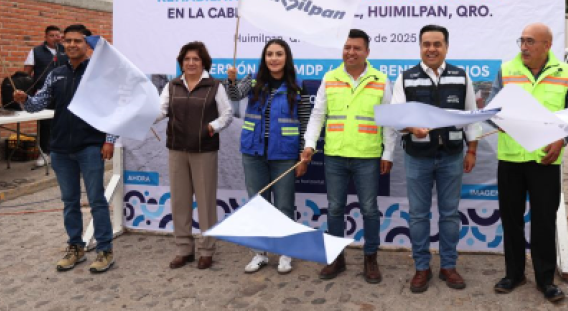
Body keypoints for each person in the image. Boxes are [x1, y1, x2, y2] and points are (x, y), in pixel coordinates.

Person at [13, 24, 116, 273]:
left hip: (90, 146)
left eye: (77, 41)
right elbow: (38, 105)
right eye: (67, 41)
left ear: (87, 44)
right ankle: (76, 248)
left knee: (96, 200)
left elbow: (113, 108)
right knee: (70, 202)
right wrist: (25, 100)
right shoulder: (55, 74)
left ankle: (104, 250)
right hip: (60, 148)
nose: (71, 45)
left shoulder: (99, 73)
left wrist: (109, 140)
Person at [489, 23, 568, 302]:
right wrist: (497, 120)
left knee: (544, 221)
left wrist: (562, 140)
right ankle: (514, 274)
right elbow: (491, 108)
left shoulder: (565, 72)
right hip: (511, 158)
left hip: (546, 159)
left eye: (530, 41)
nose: (524, 47)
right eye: (522, 41)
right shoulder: (507, 70)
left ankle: (545, 280)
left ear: (547, 45)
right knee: (511, 220)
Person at [390, 25, 481, 293]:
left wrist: (472, 150)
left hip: (452, 156)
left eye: (437, 44)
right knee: (418, 215)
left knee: (450, 214)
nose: (431, 49)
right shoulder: (406, 78)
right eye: (426, 44)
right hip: (417, 157)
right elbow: (395, 117)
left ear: (446, 47)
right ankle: (421, 267)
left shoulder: (461, 76)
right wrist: (411, 128)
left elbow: (472, 117)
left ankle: (448, 266)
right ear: (420, 47)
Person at [301, 29, 395, 284]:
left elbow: (388, 121)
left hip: (367, 156)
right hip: (335, 155)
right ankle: (337, 258)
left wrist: (388, 152)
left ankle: (370, 258)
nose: (350, 52)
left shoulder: (380, 80)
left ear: (367, 52)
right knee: (334, 208)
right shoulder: (330, 77)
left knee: (369, 209)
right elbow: (317, 115)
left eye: (356, 48)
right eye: (347, 47)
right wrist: (309, 145)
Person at [226, 39, 312, 275]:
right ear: (264, 58)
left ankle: (285, 252)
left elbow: (305, 121)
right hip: (254, 152)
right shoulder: (253, 79)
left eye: (279, 54)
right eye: (270, 54)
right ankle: (260, 253)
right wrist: (231, 80)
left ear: (287, 57)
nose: (274, 58)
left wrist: (303, 154)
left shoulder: (298, 85)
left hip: (284, 154)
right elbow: (234, 94)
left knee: (284, 204)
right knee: (258, 204)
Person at [158, 41, 233, 270]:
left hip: (204, 150)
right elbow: (160, 110)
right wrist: (141, 117)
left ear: (203, 63)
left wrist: (212, 126)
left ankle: (207, 250)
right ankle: (184, 249)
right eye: (187, 59)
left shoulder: (214, 86)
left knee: (205, 202)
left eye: (196, 59)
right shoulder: (172, 85)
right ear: (181, 63)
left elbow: (227, 114)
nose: (191, 63)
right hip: (177, 149)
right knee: (180, 201)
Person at [23, 25, 67, 167]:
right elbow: (26, 74)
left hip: (63, 92)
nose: (55, 38)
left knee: (62, 121)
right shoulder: (36, 51)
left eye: (57, 35)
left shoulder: (65, 50)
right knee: (45, 124)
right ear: (46, 37)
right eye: (52, 35)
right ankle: (44, 153)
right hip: (43, 93)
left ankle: (60, 151)